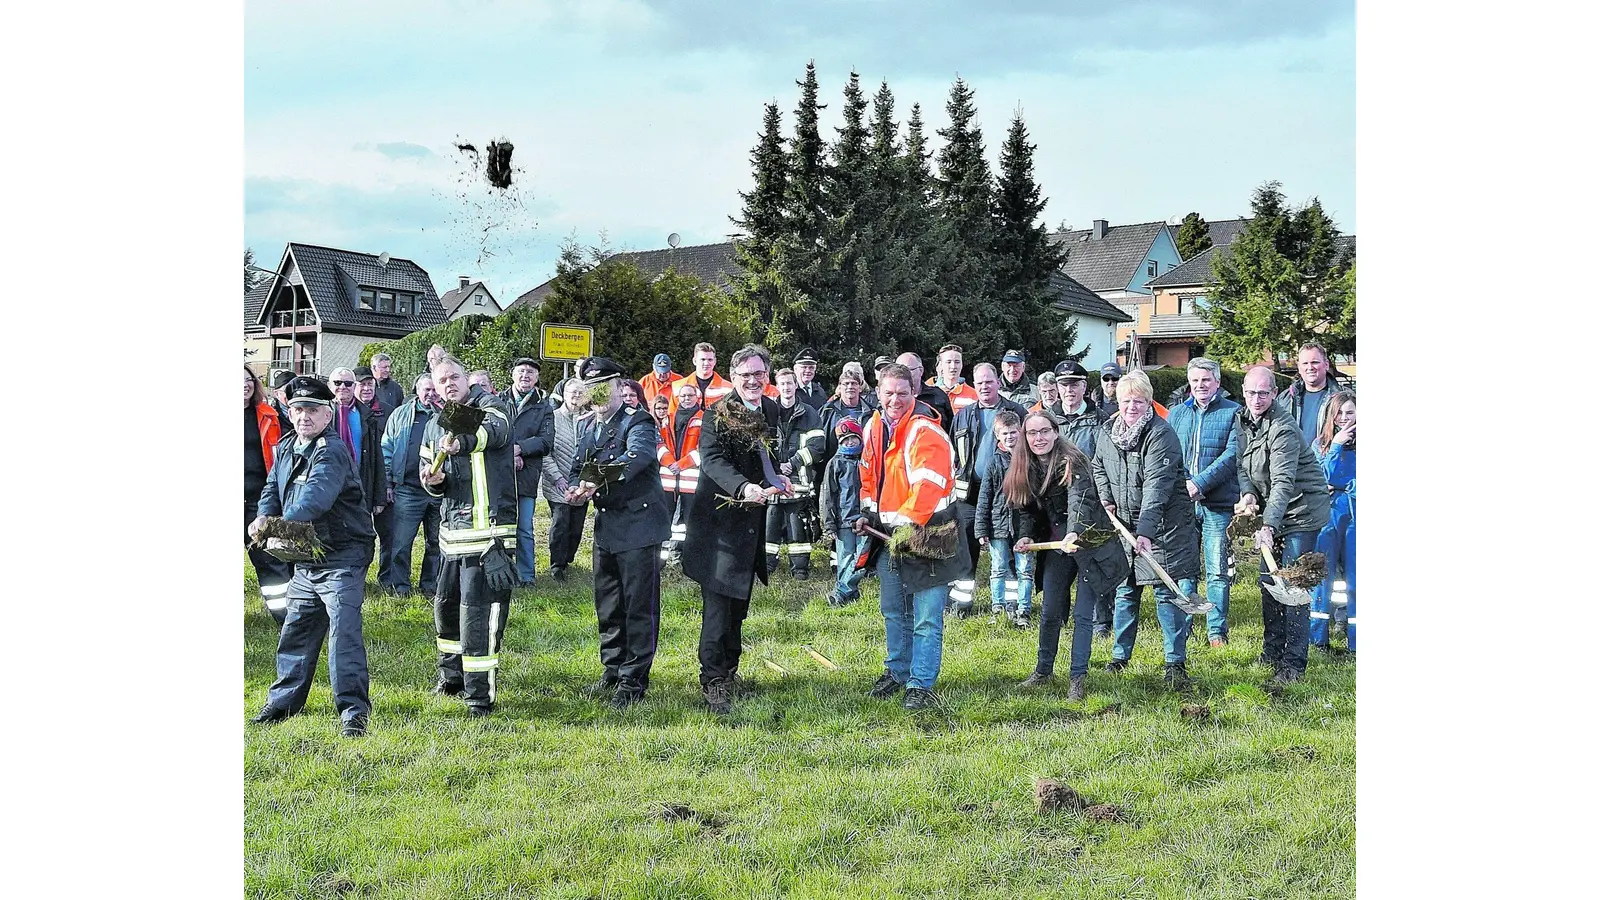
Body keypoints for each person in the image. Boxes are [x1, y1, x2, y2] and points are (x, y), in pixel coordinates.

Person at [249, 376, 378, 738]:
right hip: (308, 557)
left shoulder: (332, 451)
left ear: (327, 414)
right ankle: (282, 703)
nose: (304, 416)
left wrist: (274, 525)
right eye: (298, 409)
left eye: (312, 410)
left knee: (343, 634)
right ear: (289, 413)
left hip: (344, 555)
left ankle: (353, 713)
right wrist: (262, 516)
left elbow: (316, 498)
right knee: (297, 629)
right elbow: (272, 488)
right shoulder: (288, 445)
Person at [682, 344, 792, 715]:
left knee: (738, 605)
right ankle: (713, 680)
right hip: (718, 524)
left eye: (759, 374)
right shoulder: (716, 414)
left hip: (751, 524)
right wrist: (744, 487)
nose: (752, 381)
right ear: (733, 376)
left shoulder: (772, 409)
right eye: (745, 375)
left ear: (767, 376)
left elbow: (767, 455)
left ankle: (730, 670)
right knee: (718, 604)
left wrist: (779, 476)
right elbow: (712, 460)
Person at [853, 363, 966, 710]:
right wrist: (866, 512)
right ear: (878, 392)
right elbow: (869, 475)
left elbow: (928, 487)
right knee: (893, 609)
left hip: (928, 535)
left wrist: (905, 525)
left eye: (902, 393)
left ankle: (920, 683)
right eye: (889, 393)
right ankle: (897, 671)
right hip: (890, 534)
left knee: (927, 615)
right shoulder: (875, 425)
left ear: (913, 393)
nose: (895, 399)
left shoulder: (924, 431)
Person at [566, 358, 672, 709]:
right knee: (609, 604)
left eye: (602, 387)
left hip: (639, 525)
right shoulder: (587, 427)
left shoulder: (637, 419)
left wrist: (592, 483)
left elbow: (636, 458)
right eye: (589, 389)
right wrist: (572, 489)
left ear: (617, 387)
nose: (596, 396)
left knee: (638, 606)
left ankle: (633, 680)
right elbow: (575, 468)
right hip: (608, 527)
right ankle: (612, 671)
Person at [1093, 369, 1204, 691]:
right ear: (1117, 401)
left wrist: (1146, 531)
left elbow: (1158, 486)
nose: (1132, 407)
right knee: (1125, 591)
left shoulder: (1161, 434)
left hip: (1164, 528)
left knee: (1165, 594)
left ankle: (1174, 662)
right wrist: (1106, 499)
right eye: (1127, 401)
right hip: (1124, 525)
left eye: (1140, 401)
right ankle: (1119, 655)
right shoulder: (1107, 431)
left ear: (1149, 401)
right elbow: (1098, 466)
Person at [420, 355, 517, 717]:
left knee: (478, 618)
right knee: (446, 612)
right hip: (451, 538)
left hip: (489, 535)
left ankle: (479, 696)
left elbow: (496, 433)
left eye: (454, 376)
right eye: (441, 379)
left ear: (466, 378)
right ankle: (451, 680)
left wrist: (461, 442)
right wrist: (432, 482)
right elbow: (430, 477)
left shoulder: (493, 406)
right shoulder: (433, 424)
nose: (449, 383)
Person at [1009, 412, 1130, 701]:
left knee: (1082, 614)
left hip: (1088, 542)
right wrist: (1025, 535)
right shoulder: (1025, 465)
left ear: (1055, 432)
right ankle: (1043, 670)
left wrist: (1074, 533)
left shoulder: (1073, 461)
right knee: (1050, 610)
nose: (1038, 438)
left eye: (1044, 432)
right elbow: (1024, 508)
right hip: (1056, 545)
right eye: (1032, 433)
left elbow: (1081, 500)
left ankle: (1078, 678)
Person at [1235, 365, 1331, 687]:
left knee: (1292, 586)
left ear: (1274, 394)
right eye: (1251, 392)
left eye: (1264, 393)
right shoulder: (1243, 420)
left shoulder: (1283, 429)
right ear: (1244, 393)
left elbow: (1283, 482)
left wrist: (1269, 524)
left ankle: (1293, 664)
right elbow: (1242, 464)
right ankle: (1272, 651)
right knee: (1267, 582)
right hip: (1273, 513)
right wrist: (1248, 494)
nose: (1257, 399)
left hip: (1301, 512)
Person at [1166, 358, 1242, 647]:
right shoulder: (1176, 414)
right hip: (1183, 504)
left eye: (1206, 380)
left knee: (1217, 569)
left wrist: (1200, 483)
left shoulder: (1233, 413)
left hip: (1218, 503)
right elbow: (1171, 453)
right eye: (1195, 380)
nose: (1200, 385)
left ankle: (1216, 630)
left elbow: (1233, 454)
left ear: (1217, 383)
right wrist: (1185, 485)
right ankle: (1183, 626)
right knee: (1184, 569)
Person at [947, 363, 1027, 615]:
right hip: (969, 493)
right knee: (966, 548)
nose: (984, 386)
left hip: (1007, 494)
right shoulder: (963, 415)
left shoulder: (1015, 411)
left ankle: (1012, 603)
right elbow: (952, 451)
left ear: (997, 382)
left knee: (1010, 549)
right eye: (979, 382)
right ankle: (962, 601)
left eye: (989, 382)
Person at [379, 374, 443, 597]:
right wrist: (387, 482)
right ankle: (400, 587)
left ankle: (430, 585)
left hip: (438, 491)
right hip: (407, 489)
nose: (431, 394)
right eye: (426, 390)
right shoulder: (401, 414)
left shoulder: (445, 415)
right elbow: (386, 449)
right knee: (401, 543)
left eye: (435, 389)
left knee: (435, 542)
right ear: (417, 390)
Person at [766, 368, 826, 579]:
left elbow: (818, 446)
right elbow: (761, 445)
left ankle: (799, 568)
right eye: (782, 384)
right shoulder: (768, 411)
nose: (786, 388)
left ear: (795, 386)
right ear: (777, 386)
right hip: (772, 481)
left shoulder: (809, 413)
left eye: (789, 384)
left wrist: (792, 463)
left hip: (799, 482)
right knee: (769, 525)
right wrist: (775, 467)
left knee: (797, 527)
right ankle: (767, 565)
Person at [245, 366, 294, 625]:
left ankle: (285, 618)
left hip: (258, 500)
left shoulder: (268, 415)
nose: (244, 385)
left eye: (247, 380)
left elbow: (279, 457)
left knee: (270, 561)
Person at [1310, 391, 1356, 657]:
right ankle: (1318, 639)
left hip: (1355, 517)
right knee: (1321, 577)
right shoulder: (1321, 445)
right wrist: (1337, 445)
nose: (1344, 418)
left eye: (1350, 412)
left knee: (1356, 580)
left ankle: (1356, 642)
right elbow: (1320, 478)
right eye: (1339, 413)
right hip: (1327, 518)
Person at [974, 410, 1031, 623]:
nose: (1010, 437)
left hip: (1022, 526)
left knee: (1024, 569)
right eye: (1005, 433)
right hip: (997, 525)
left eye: (1014, 432)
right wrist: (981, 529)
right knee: (998, 568)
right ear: (997, 435)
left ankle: (1022, 608)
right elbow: (984, 498)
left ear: (1021, 432)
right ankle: (998, 606)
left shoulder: (1028, 461)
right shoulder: (993, 463)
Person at [509, 357, 554, 586]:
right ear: (513, 375)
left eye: (530, 373)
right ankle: (504, 571)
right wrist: (510, 453)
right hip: (501, 473)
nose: (525, 376)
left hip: (527, 475)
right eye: (521, 371)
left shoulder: (544, 407)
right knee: (502, 525)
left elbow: (546, 442)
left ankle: (526, 575)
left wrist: (521, 449)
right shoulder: (499, 401)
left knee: (524, 527)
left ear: (537, 378)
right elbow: (492, 433)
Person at [542, 378, 592, 582]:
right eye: (572, 392)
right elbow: (545, 453)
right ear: (564, 394)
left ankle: (568, 559)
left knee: (576, 526)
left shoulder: (590, 420)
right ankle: (557, 565)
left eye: (580, 393)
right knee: (560, 524)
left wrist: (586, 481)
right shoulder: (551, 418)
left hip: (581, 484)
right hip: (558, 482)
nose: (576, 396)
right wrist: (557, 478)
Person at [820, 417, 867, 607]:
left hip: (865, 520)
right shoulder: (835, 463)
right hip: (843, 521)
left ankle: (841, 592)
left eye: (853, 439)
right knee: (845, 558)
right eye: (845, 439)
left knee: (860, 559)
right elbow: (827, 495)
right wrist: (828, 522)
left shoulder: (866, 461)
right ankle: (847, 594)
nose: (849, 443)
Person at [657, 382, 704, 565]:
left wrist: (682, 464)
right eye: (683, 396)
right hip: (668, 478)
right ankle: (661, 559)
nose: (686, 399)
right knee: (664, 518)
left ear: (697, 398)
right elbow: (659, 443)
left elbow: (704, 448)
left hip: (690, 479)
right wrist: (670, 463)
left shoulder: (703, 418)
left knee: (689, 520)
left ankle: (686, 557)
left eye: (689, 396)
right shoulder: (668, 418)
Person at [327, 367, 384, 517]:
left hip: (359, 484)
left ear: (354, 386)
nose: (342, 387)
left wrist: (379, 497)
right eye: (337, 383)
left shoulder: (366, 415)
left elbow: (377, 456)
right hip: (329, 485)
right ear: (329, 385)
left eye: (348, 383)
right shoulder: (321, 413)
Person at [1276, 342, 1349, 448]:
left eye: (1315, 362)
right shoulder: (1285, 398)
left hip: (1328, 461)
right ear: (1299, 367)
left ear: (1326, 364)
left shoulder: (1344, 398)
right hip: (1294, 462)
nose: (1310, 367)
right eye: (1305, 363)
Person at [668, 342, 734, 417]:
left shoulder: (729, 388)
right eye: (702, 359)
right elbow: (671, 416)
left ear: (715, 361)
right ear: (694, 361)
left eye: (710, 359)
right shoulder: (678, 386)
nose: (706, 363)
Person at [896, 352, 954, 428]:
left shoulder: (938, 395)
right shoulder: (892, 399)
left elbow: (951, 429)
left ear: (921, 371)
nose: (903, 375)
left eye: (908, 370)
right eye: (898, 370)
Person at [929, 343, 978, 416]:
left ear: (962, 364)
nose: (953, 366)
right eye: (948, 362)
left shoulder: (973, 395)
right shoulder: (930, 393)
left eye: (957, 362)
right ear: (941, 365)